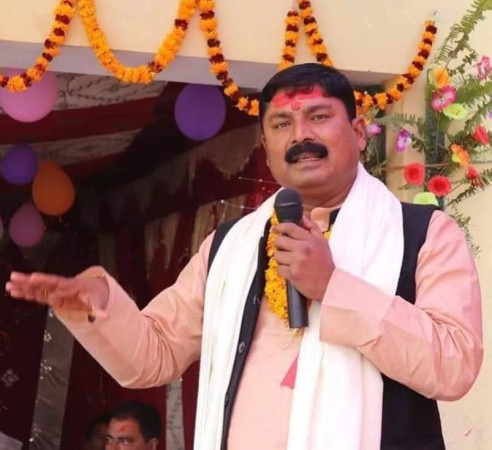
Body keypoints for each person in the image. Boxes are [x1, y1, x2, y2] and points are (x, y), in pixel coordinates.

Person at [6, 63, 483, 450]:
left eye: (318, 116)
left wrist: (333, 287)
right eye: (282, 124)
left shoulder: (423, 234)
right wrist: (96, 307)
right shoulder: (229, 246)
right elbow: (155, 355)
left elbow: (454, 365)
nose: (300, 136)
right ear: (266, 148)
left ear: (358, 132)